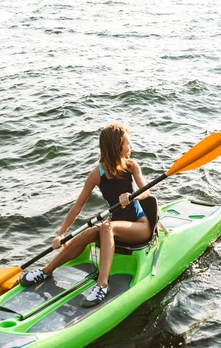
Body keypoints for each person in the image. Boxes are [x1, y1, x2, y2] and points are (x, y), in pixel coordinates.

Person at [18, 122, 152, 307]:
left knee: (106, 226)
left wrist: (132, 195)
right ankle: (46, 271)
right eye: (127, 143)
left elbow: (146, 193)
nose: (131, 147)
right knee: (90, 232)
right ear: (116, 146)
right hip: (113, 228)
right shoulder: (97, 174)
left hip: (140, 225)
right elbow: (77, 206)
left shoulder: (131, 166)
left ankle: (102, 285)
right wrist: (60, 234)